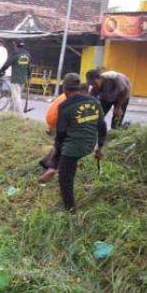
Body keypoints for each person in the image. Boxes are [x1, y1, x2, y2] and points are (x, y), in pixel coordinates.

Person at [38, 74, 107, 211]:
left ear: (65, 90)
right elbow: (102, 126)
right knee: (66, 152)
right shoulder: (94, 102)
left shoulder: (64, 106)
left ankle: (70, 210)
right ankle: (52, 165)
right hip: (90, 144)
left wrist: (55, 157)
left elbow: (61, 135)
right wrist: (100, 147)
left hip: (73, 149)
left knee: (65, 179)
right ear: (80, 87)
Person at [0, 40, 32, 113]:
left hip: (15, 78)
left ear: (16, 45)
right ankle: (9, 111)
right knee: (15, 94)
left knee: (16, 96)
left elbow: (7, 64)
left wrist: (1, 71)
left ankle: (20, 113)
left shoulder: (15, 53)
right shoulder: (27, 54)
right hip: (23, 79)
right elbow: (29, 67)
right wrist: (29, 76)